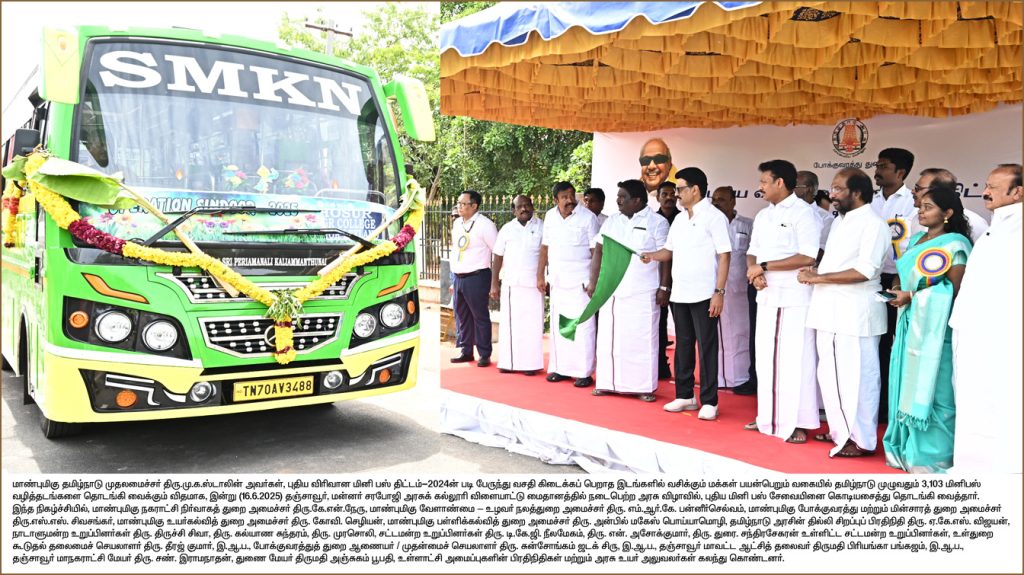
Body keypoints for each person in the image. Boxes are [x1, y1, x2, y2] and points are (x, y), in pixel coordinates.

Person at [880, 181, 972, 472]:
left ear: (947, 213)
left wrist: (913, 297)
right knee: (904, 379)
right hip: (908, 321)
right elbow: (903, 273)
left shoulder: (956, 244)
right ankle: (905, 447)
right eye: (920, 206)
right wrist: (898, 289)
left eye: (928, 207)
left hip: (936, 328)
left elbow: (954, 290)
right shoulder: (918, 239)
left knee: (937, 389)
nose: (920, 211)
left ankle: (932, 456)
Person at [798, 168, 889, 458]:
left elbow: (864, 271)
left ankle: (859, 439)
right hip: (832, 311)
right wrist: (817, 271)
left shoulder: (873, 224)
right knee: (832, 376)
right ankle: (841, 430)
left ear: (857, 193)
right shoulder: (840, 220)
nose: (832, 194)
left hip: (852, 314)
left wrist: (818, 278)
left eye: (838, 189)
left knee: (858, 380)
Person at [949, 163, 1022, 475]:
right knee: (971, 397)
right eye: (987, 185)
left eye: (994, 186)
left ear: (1017, 192)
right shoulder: (998, 225)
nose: (986, 191)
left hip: (998, 331)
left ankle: (1002, 465)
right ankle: (971, 463)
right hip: (973, 328)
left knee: (999, 398)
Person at [642, 168, 731, 421]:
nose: (676, 194)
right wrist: (651, 255)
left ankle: (710, 401)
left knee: (707, 347)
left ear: (695, 189)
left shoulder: (714, 217)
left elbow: (725, 255)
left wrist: (719, 292)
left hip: (705, 293)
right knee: (683, 345)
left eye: (680, 189)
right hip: (680, 293)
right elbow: (668, 251)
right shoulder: (680, 220)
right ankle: (685, 395)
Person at [744, 160, 821, 443]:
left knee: (795, 361)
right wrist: (754, 272)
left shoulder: (804, 213)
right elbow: (752, 252)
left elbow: (808, 256)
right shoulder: (764, 215)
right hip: (767, 295)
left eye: (764, 182)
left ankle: (798, 422)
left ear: (780, 182)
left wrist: (764, 266)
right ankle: (769, 416)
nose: (760, 187)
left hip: (794, 297)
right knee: (766, 360)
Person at [589, 180, 669, 402]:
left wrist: (664, 287)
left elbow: (666, 256)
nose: (618, 200)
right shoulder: (612, 221)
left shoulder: (657, 222)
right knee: (609, 337)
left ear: (637, 200)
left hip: (643, 290)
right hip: (612, 288)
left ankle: (643, 386)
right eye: (618, 196)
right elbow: (599, 250)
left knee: (642, 339)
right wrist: (594, 282)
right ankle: (607, 383)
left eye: (622, 197)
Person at [538, 181, 600, 387]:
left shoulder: (588, 218)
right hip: (558, 281)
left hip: (581, 282)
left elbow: (596, 251)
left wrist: (594, 281)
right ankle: (562, 368)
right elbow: (545, 248)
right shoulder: (550, 216)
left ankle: (584, 372)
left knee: (582, 327)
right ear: (555, 199)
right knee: (562, 326)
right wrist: (540, 276)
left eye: (572, 196)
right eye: (564, 197)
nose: (570, 200)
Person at [871, 147, 916, 423]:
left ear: (900, 172)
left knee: (891, 343)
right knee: (872, 341)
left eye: (883, 166)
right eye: (877, 165)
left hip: (897, 280)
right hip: (869, 278)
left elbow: (913, 245)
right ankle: (872, 403)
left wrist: (901, 277)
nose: (877, 171)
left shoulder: (912, 203)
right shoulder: (869, 200)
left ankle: (889, 405)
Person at [490, 195, 544, 376]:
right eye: (519, 206)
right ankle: (508, 362)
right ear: (513, 210)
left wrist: (545, 278)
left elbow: (547, 254)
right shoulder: (507, 229)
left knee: (532, 325)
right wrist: (494, 283)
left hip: (534, 284)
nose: (524, 209)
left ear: (532, 206)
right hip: (512, 283)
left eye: (527, 205)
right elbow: (498, 255)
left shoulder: (542, 227)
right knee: (510, 325)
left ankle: (531, 365)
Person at [710, 186, 753, 393]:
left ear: (733, 201)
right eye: (714, 199)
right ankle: (719, 377)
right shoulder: (709, 224)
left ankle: (741, 377)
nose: (716, 203)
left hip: (740, 290)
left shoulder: (747, 225)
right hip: (716, 288)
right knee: (717, 335)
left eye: (721, 199)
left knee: (741, 332)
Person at [450, 191, 498, 366]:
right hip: (458, 276)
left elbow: (497, 251)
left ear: (474, 206)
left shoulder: (486, 225)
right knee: (461, 316)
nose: (459, 207)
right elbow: (455, 250)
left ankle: (484, 353)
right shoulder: (457, 223)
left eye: (463, 204)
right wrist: (452, 276)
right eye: (458, 203)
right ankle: (466, 350)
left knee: (480, 316)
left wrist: (496, 280)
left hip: (477, 276)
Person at [911, 168, 988, 242]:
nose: (913, 191)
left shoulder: (975, 222)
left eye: (918, 188)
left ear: (938, 191)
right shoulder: (917, 219)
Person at [655, 181, 681, 379]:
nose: (669, 197)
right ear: (658, 197)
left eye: (672, 194)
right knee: (658, 324)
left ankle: (683, 370)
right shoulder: (652, 220)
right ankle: (660, 365)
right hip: (658, 280)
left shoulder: (684, 218)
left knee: (683, 327)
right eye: (664, 194)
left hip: (681, 279)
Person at [796, 170, 834, 260]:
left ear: (808, 188)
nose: (788, 190)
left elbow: (821, 251)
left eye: (793, 186)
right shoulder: (782, 213)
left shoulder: (826, 218)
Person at [638, 138, 679, 207]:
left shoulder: (681, 195)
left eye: (659, 159)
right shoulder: (632, 193)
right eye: (645, 160)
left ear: (669, 163)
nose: (651, 166)